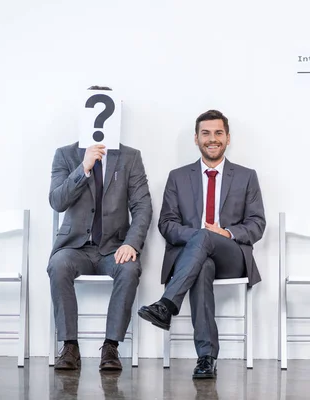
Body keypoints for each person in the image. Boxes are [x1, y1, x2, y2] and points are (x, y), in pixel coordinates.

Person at [138, 109, 266, 379]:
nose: (212, 138)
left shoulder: (246, 176)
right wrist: (200, 237)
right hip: (193, 260)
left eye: (218, 133)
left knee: (207, 238)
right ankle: (206, 358)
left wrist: (225, 233)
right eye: (205, 133)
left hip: (232, 257)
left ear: (228, 138)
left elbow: (257, 224)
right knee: (202, 264)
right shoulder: (177, 177)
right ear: (196, 139)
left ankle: (166, 305)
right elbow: (167, 224)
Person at [48, 86, 152, 371]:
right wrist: (83, 168)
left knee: (130, 268)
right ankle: (69, 346)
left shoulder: (130, 158)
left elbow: (142, 206)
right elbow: (57, 201)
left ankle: (111, 347)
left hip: (113, 249)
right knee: (57, 264)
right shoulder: (65, 155)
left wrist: (131, 243)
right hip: (75, 248)